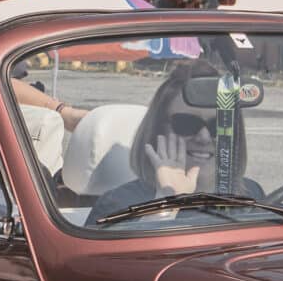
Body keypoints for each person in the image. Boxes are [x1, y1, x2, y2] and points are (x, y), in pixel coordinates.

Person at [90, 63, 265, 220]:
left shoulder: (251, 196)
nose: (204, 138)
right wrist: (167, 200)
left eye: (220, 124)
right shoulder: (118, 206)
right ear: (158, 130)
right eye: (187, 124)